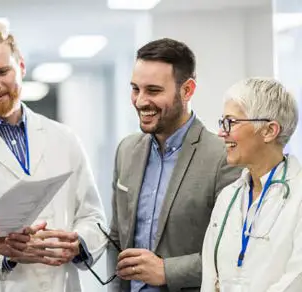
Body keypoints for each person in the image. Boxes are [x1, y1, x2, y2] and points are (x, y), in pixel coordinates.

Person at [0, 20, 108, 292]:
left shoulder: (64, 139)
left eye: (3, 71)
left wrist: (78, 243)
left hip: (58, 283)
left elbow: (93, 216)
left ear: (21, 66)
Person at [109, 38, 242, 292]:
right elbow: (116, 239)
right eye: (135, 89)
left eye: (154, 91)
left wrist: (166, 271)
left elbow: (235, 254)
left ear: (188, 90)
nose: (140, 101)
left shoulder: (223, 158)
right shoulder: (127, 151)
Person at [200, 78, 301, 291]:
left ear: (268, 131)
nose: (221, 132)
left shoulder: (298, 194)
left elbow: (296, 279)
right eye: (222, 122)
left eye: (231, 122)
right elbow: (210, 277)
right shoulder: (228, 197)